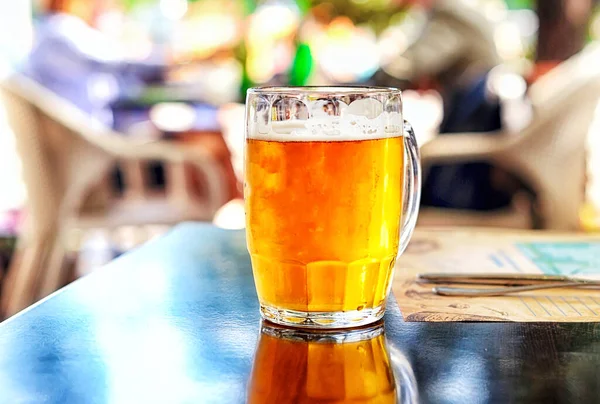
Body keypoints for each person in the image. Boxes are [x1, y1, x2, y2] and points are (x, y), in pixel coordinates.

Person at [376, 0, 520, 211]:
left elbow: (412, 63)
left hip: (471, 134)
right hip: (472, 116)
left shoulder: (449, 13)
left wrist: (367, 86)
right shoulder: (452, 11)